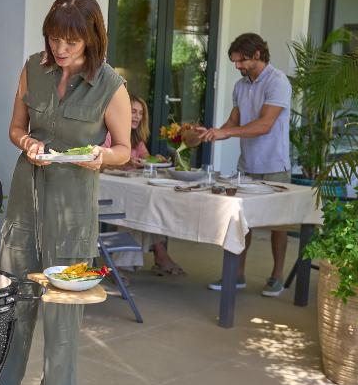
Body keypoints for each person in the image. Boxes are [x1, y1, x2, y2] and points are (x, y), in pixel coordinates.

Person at [0, 0, 132, 385]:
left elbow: (124, 151)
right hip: (26, 192)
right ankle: (6, 384)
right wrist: (26, 143)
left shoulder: (111, 85)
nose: (60, 48)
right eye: (54, 38)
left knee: (62, 300)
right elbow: (16, 128)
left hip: (73, 201)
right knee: (14, 290)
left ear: (91, 39)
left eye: (71, 41)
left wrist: (100, 155)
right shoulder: (33, 68)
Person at [198, 32, 292, 296]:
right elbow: (234, 120)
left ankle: (277, 276)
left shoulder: (278, 81)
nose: (238, 66)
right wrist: (214, 132)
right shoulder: (241, 86)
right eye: (235, 61)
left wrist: (227, 133)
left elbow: (264, 125)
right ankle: (236, 274)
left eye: (242, 61)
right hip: (247, 163)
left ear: (258, 55)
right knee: (241, 220)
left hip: (275, 163)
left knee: (278, 224)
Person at [102, 94, 185, 276]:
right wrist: (125, 162)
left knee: (147, 205)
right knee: (139, 207)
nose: (137, 116)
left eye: (140, 113)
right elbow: (100, 162)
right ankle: (154, 256)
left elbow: (146, 158)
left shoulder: (136, 138)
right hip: (106, 191)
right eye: (133, 111)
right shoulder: (109, 134)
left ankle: (154, 255)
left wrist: (155, 160)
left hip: (128, 190)